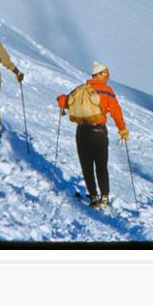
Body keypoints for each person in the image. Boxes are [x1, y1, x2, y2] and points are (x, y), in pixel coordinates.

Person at [57, 61, 129, 208]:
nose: (108, 78)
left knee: (87, 166)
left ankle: (94, 198)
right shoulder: (107, 91)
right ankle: (104, 197)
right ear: (99, 75)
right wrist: (122, 129)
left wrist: (60, 99)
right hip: (99, 132)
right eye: (106, 75)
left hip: (82, 132)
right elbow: (116, 112)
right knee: (101, 166)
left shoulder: (81, 89)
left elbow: (63, 102)